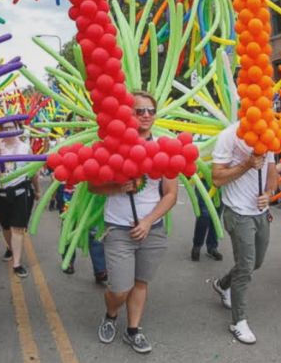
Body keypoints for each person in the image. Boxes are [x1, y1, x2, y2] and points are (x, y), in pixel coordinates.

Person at [93, 92, 177, 354]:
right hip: (118, 228)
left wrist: (149, 221)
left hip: (152, 229)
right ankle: (110, 314)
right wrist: (118, 187)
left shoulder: (165, 147)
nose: (146, 115)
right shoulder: (112, 146)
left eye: (151, 110)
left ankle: (133, 330)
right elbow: (94, 187)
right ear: (127, 115)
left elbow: (171, 194)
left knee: (141, 282)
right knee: (120, 289)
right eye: (139, 111)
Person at [209, 121, 278, 345]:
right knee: (246, 267)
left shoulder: (270, 132)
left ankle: (222, 284)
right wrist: (247, 164)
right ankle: (238, 321)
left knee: (256, 263)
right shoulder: (229, 136)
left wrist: (269, 193)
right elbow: (217, 178)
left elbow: (272, 172)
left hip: (261, 213)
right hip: (237, 213)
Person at [0, 121, 39, 278]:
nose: (8, 131)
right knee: (6, 227)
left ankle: (17, 263)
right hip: (0, 194)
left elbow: (33, 171)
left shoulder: (25, 148)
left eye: (11, 127)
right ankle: (10, 247)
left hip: (20, 192)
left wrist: (37, 190)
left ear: (17, 129)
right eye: (4, 128)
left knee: (17, 228)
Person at [191, 189, 222, 261]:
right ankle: (197, 245)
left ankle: (212, 247)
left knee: (216, 217)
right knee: (204, 215)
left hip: (220, 186)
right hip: (204, 185)